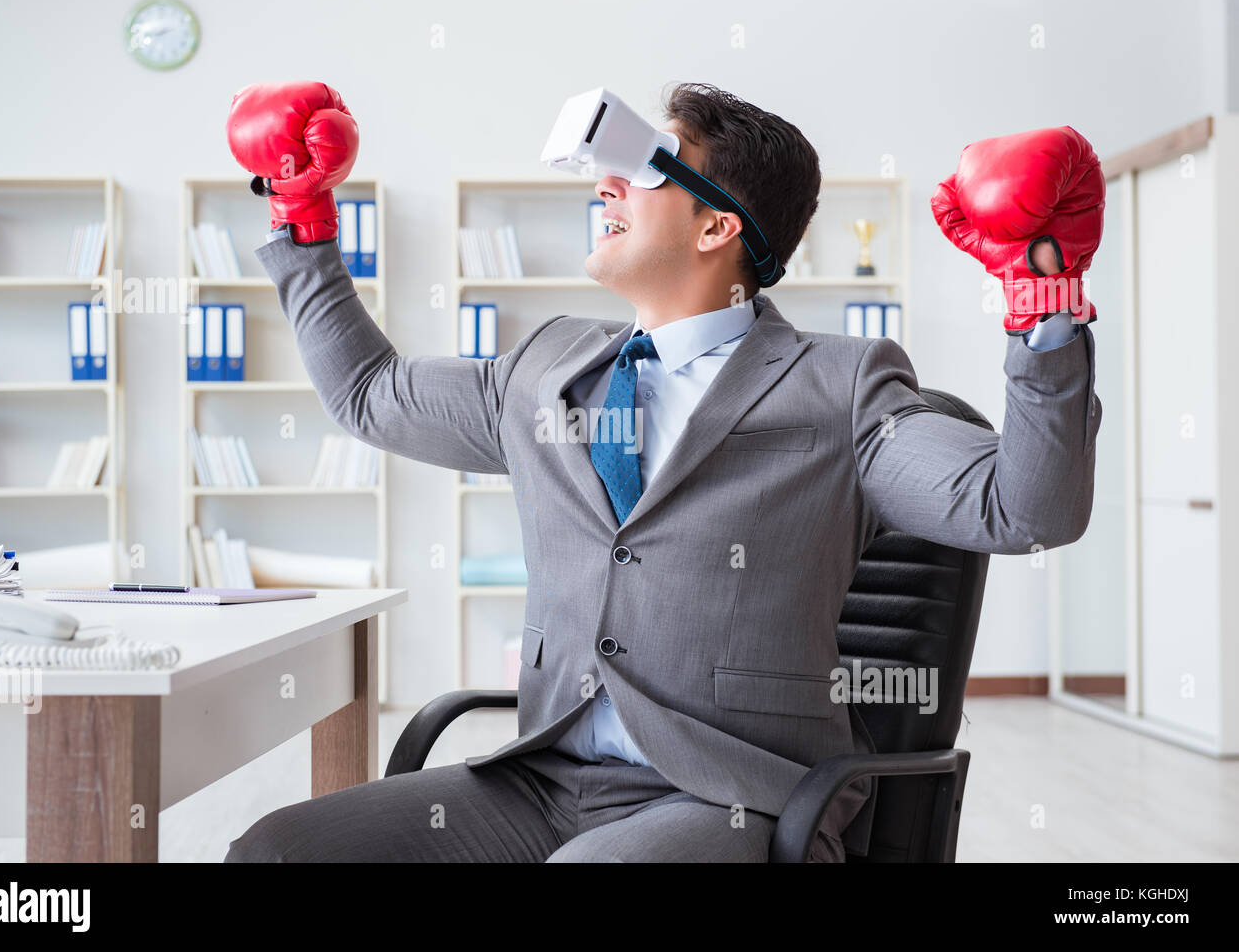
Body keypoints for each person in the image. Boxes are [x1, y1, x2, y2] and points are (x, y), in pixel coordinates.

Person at [222, 81, 1103, 862]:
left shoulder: (841, 386)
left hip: (724, 797)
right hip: (539, 780)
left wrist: (1042, 301)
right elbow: (370, 394)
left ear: (717, 226)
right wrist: (302, 217)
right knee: (276, 850)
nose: (605, 186)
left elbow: (1024, 508)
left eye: (643, 169)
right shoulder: (546, 366)